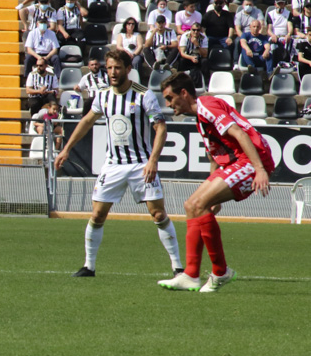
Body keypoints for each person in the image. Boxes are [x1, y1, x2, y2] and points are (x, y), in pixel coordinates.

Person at [53, 49, 182, 278]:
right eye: (110, 68)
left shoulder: (144, 95)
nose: (113, 72)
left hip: (140, 164)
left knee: (159, 215)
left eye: (117, 68)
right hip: (113, 165)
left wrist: (153, 160)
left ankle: (178, 267)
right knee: (97, 215)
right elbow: (87, 121)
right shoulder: (103, 96)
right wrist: (66, 149)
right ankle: (89, 266)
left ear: (128, 69)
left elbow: (160, 127)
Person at [158, 72, 274, 292]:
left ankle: (220, 272)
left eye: (170, 98)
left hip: (251, 160)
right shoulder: (200, 118)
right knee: (192, 205)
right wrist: (211, 188)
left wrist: (259, 169)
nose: (168, 103)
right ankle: (191, 275)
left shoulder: (207, 107)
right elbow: (214, 155)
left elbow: (239, 134)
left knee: (198, 204)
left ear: (184, 93)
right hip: (235, 163)